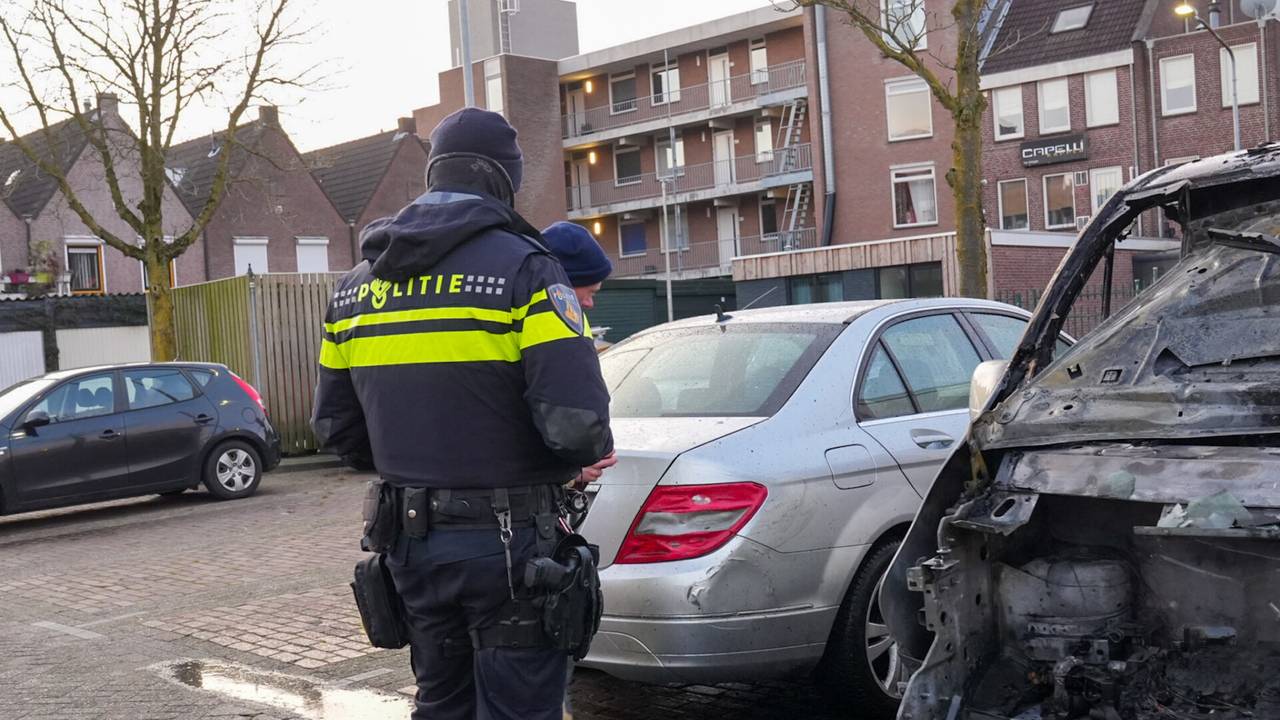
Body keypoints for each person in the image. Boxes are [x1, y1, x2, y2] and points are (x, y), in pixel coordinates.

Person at [312, 107, 613, 720]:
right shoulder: (529, 271)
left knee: (440, 703)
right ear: (505, 178)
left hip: (409, 544)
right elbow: (577, 427)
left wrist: (423, 465)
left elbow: (337, 430)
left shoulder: (353, 289)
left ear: (434, 172)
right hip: (511, 552)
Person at [541, 220, 617, 485]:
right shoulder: (556, 323)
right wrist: (569, 473)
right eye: (589, 291)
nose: (590, 303)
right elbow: (571, 417)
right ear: (562, 284)